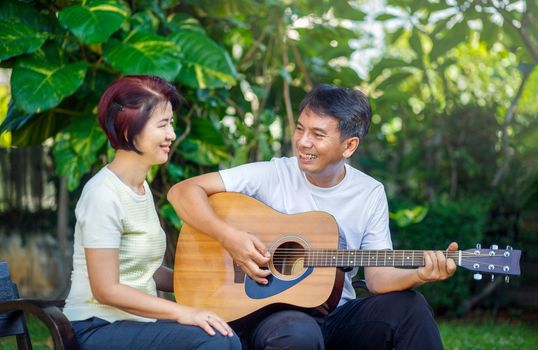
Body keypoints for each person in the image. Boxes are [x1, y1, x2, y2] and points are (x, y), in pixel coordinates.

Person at [167, 84, 457, 350]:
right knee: (298, 334)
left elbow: (378, 280)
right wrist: (229, 238)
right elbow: (183, 192)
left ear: (349, 145)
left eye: (318, 135)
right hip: (276, 316)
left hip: (338, 314)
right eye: (300, 129)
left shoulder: (369, 192)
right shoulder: (273, 174)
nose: (303, 142)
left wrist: (419, 274)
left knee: (410, 307)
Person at [62, 75, 241, 350]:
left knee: (228, 331)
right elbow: (106, 289)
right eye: (163, 125)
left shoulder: (139, 187)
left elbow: (143, 270)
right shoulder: (103, 194)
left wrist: (211, 278)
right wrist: (184, 312)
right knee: (214, 341)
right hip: (97, 326)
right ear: (128, 132)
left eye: (171, 123)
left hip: (136, 323)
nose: (171, 134)